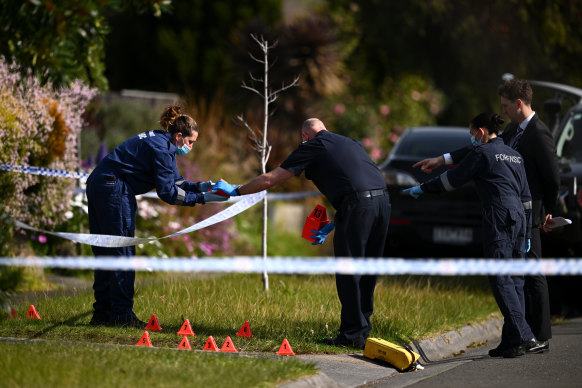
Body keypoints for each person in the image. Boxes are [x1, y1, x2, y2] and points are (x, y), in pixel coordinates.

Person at [214, 118, 391, 349]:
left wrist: (237, 190)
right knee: (368, 269)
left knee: (349, 271)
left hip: (358, 207)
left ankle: (351, 336)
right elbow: (359, 185)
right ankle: (362, 331)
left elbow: (272, 178)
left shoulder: (312, 146)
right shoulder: (351, 143)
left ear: (305, 136)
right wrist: (334, 223)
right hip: (383, 204)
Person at [413, 80, 558, 353]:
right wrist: (442, 158)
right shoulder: (512, 135)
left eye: (505, 105)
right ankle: (513, 341)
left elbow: (551, 176)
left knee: (520, 276)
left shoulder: (539, 132)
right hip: (521, 212)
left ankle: (533, 336)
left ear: (518, 104)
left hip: (523, 214)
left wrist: (548, 211)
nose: (502, 110)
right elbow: (481, 152)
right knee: (516, 277)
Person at [86, 105, 228, 327]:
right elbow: (169, 193)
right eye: (191, 142)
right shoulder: (163, 149)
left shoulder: (162, 141)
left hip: (99, 184)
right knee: (122, 251)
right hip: (113, 188)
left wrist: (203, 187)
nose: (191, 147)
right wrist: (204, 199)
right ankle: (122, 316)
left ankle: (103, 314)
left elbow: (176, 182)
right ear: (179, 136)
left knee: (105, 251)